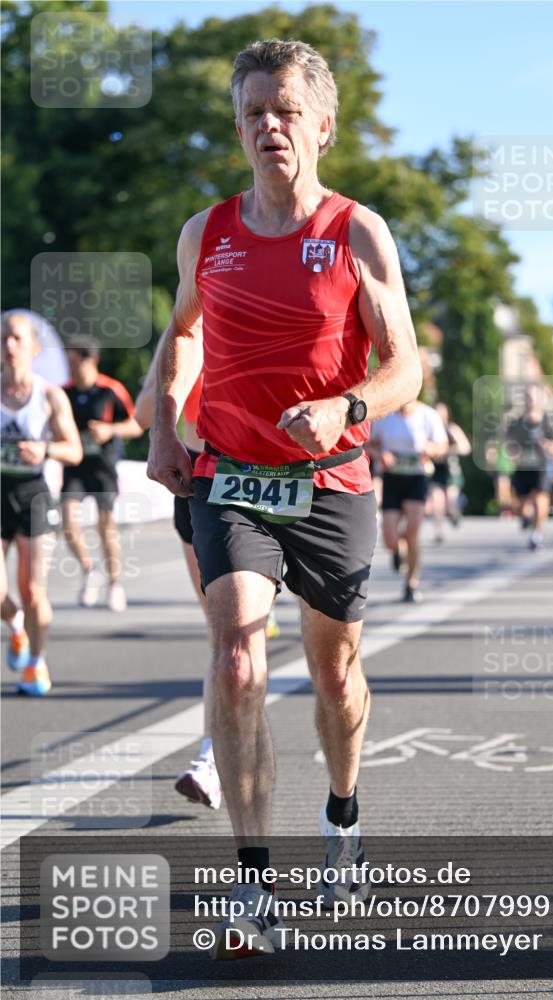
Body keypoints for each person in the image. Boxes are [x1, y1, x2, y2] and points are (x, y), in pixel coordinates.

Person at [146, 38, 421, 960]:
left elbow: (404, 366)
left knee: (336, 674)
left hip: (332, 475)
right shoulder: (206, 232)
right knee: (233, 652)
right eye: (254, 112)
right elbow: (181, 334)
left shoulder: (355, 230)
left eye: (287, 110)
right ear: (238, 129)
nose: (270, 125)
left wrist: (348, 404)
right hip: (230, 472)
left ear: (322, 126)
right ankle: (252, 886)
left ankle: (342, 816)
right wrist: (160, 425)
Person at [134, 359, 222, 810]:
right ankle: (213, 757)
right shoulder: (187, 337)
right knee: (225, 634)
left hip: (268, 481)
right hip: (196, 487)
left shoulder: (264, 307)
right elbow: (142, 414)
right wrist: (175, 355)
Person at [1, 311, 82, 695]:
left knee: (32, 589)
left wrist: (45, 448)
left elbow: (75, 450)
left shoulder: (50, 395)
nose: (9, 345)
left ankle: (36, 662)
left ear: (33, 348)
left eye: (16, 338)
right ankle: (15, 624)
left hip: (33, 494)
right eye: (3, 339)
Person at [61, 339, 141, 611]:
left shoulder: (111, 390)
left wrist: (110, 431)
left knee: (105, 526)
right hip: (75, 466)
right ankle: (89, 569)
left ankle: (115, 584)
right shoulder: (64, 392)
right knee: (68, 523)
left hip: (103, 467)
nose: (70, 367)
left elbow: (135, 425)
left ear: (89, 360)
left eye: (74, 361)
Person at [369, 400, 447, 601]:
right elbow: (368, 444)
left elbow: (442, 446)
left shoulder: (427, 415)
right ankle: (397, 550)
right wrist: (381, 455)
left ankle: (411, 583)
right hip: (392, 478)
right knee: (389, 538)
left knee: (412, 532)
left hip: (417, 478)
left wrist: (431, 449)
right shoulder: (385, 416)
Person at [504, 385, 553, 550]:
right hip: (522, 467)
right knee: (522, 505)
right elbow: (508, 443)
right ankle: (526, 517)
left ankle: (536, 534)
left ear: (540, 399)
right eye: (528, 397)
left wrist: (549, 446)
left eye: (534, 397)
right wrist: (512, 452)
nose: (531, 400)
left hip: (541, 466)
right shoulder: (516, 423)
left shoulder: (549, 422)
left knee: (540, 498)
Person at [430, 401, 470, 540]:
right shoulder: (430, 430)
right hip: (436, 471)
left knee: (450, 499)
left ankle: (454, 511)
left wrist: (447, 451)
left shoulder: (452, 429)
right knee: (436, 500)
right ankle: (438, 531)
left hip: (451, 471)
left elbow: (466, 448)